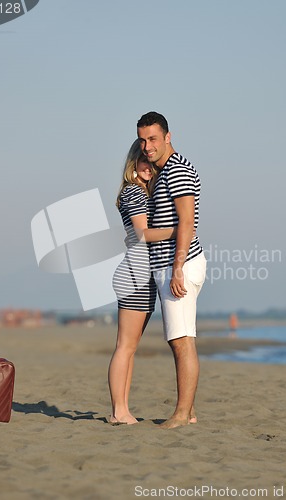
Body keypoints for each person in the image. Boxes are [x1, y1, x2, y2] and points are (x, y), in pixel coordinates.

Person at [137, 111, 207, 429]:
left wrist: (177, 268)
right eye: (142, 139)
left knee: (182, 340)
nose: (147, 145)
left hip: (179, 265)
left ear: (168, 136)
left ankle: (181, 414)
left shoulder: (177, 170)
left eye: (153, 138)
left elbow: (187, 224)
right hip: (170, 265)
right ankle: (187, 411)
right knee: (179, 339)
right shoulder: (162, 172)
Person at [109, 140, 179, 425]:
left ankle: (122, 409)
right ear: (133, 164)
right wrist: (179, 230)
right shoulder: (133, 193)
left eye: (151, 164)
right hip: (135, 276)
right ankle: (118, 411)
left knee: (130, 348)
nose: (148, 168)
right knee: (124, 347)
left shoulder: (141, 193)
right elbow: (142, 234)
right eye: (142, 163)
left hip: (142, 276)